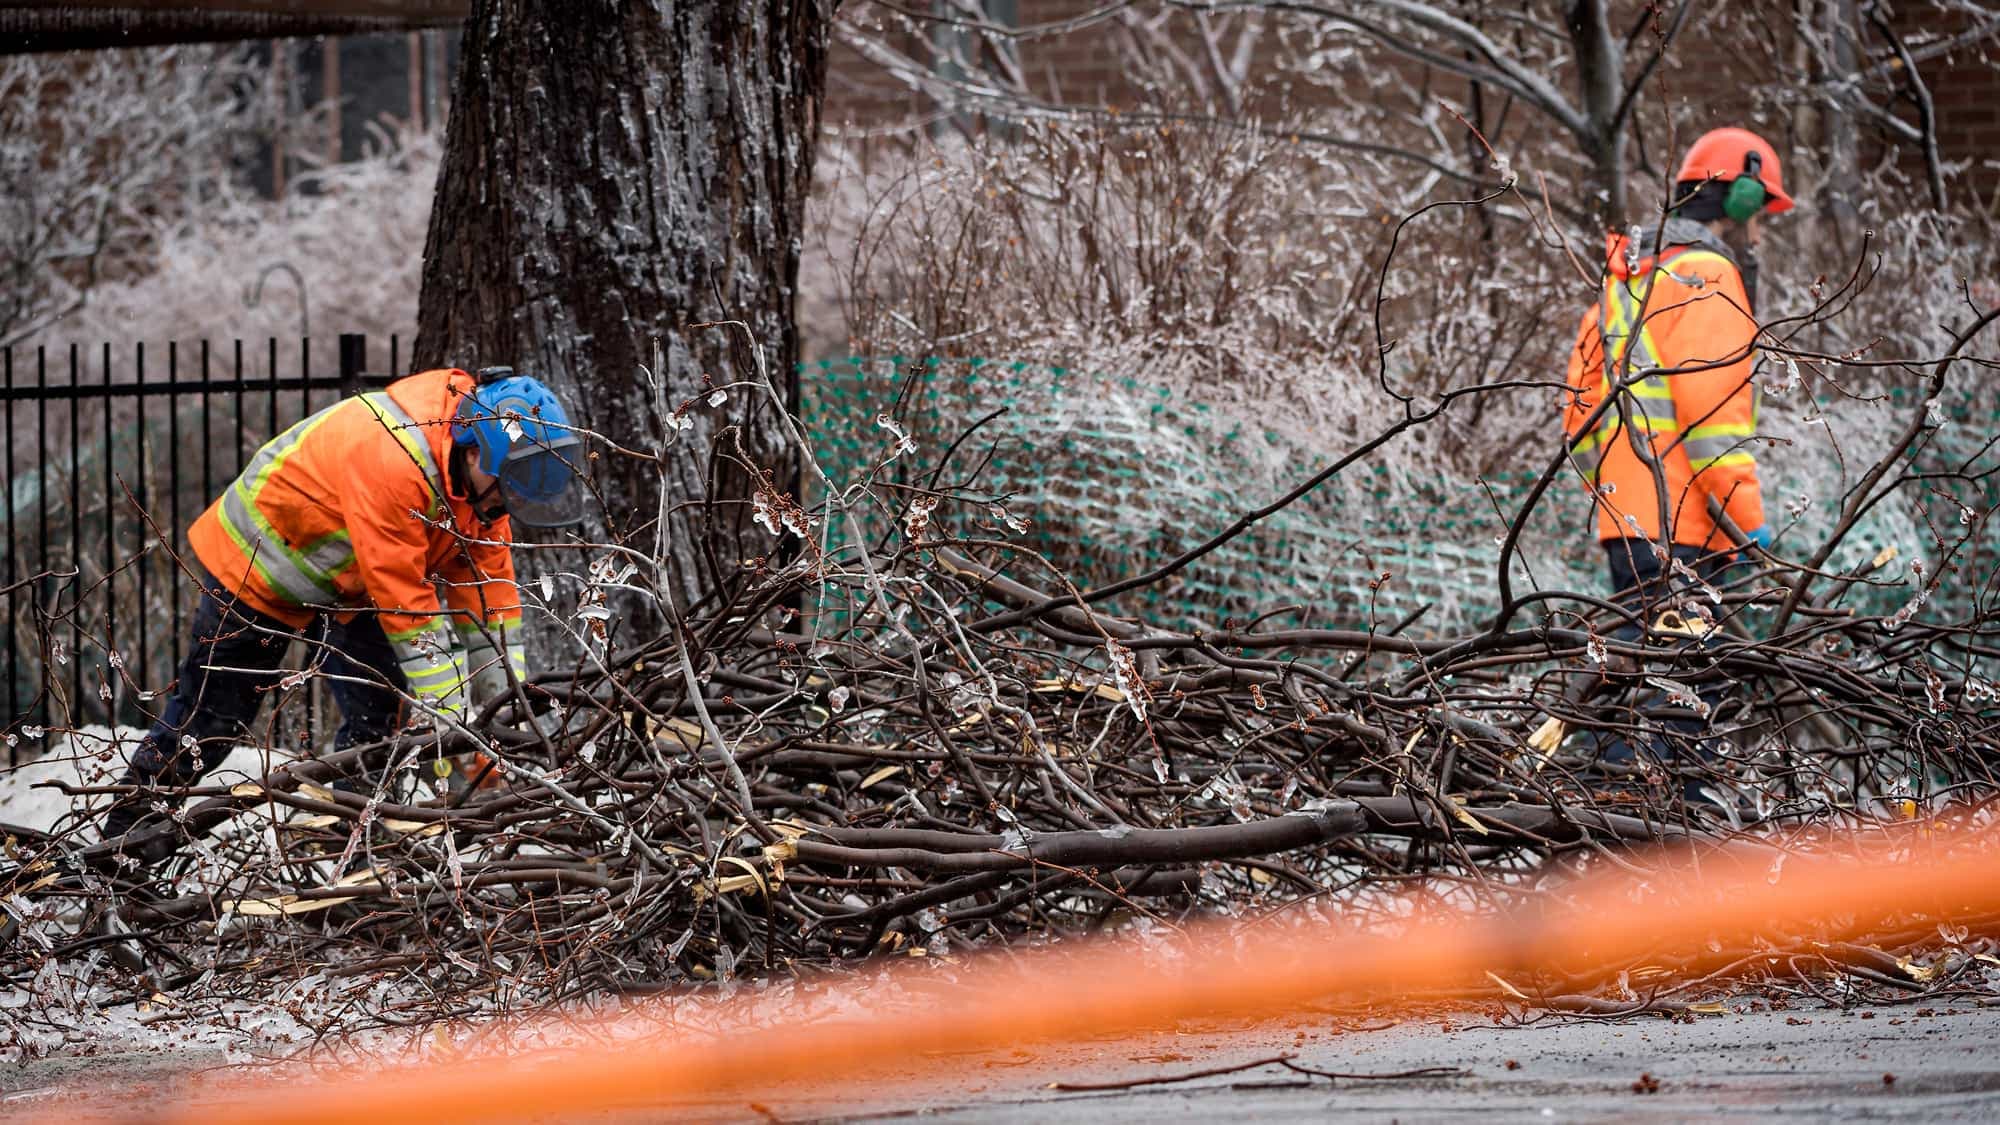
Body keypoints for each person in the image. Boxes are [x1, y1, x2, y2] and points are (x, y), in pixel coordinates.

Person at [100, 366, 585, 846]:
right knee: (208, 725)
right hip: (261, 559)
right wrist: (456, 731)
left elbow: (489, 602)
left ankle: (354, 857)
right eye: (504, 487)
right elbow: (411, 613)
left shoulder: (482, 491)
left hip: (356, 580)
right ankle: (123, 848)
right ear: (475, 450)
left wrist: (503, 717)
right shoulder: (398, 460)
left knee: (375, 728)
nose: (504, 503)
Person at [1560, 127, 1792, 793]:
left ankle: (1596, 812)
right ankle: (1676, 836)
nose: (1757, 231)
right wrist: (1745, 519)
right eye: (1758, 210)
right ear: (1739, 193)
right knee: (1685, 689)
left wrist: (1615, 486)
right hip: (1685, 526)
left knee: (1630, 667)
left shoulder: (1625, 277)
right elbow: (1714, 419)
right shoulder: (1708, 274)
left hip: (1626, 521)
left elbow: (1579, 405)